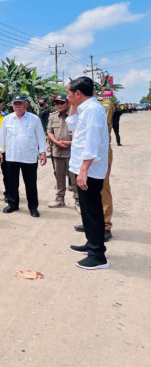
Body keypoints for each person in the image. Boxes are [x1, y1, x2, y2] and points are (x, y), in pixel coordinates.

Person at [66, 77, 110, 270]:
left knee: (92, 211)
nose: (66, 97)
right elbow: (72, 127)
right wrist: (74, 106)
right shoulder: (85, 109)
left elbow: (92, 142)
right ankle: (91, 243)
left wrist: (83, 170)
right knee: (87, 209)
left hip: (89, 170)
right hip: (83, 168)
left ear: (78, 93)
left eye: (68, 93)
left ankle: (98, 255)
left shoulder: (92, 110)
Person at [0, 94, 47, 217]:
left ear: (26, 105)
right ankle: (13, 204)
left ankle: (33, 207)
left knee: (31, 184)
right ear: (12, 105)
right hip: (12, 156)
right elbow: (1, 136)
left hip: (29, 157)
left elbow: (40, 136)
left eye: (20, 103)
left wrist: (43, 152)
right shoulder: (7, 119)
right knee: (12, 183)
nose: (18, 106)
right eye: (15, 104)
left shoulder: (34, 119)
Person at [74, 97, 116, 241]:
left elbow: (99, 128)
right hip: (85, 152)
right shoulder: (82, 106)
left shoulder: (101, 105)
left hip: (98, 152)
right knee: (87, 190)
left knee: (102, 188)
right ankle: (91, 225)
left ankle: (105, 225)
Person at [46, 94, 79, 209]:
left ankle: (78, 200)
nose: (59, 105)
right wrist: (55, 141)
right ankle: (60, 198)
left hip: (72, 151)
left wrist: (71, 143)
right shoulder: (53, 116)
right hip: (57, 151)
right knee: (59, 176)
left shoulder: (75, 115)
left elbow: (81, 133)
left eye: (62, 103)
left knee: (74, 177)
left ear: (68, 103)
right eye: (57, 103)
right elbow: (49, 131)